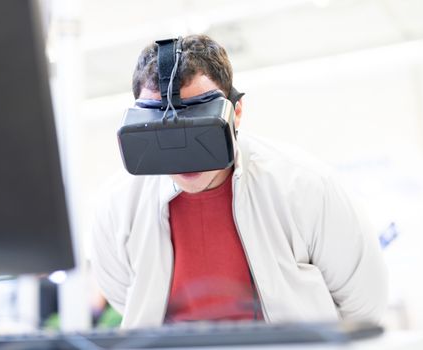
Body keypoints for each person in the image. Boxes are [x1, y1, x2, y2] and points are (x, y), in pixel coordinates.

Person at [91, 34, 388, 329]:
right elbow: (128, 299)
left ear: (237, 112)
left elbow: (364, 306)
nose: (183, 153)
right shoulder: (118, 206)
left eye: (198, 125)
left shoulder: (306, 187)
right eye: (163, 131)